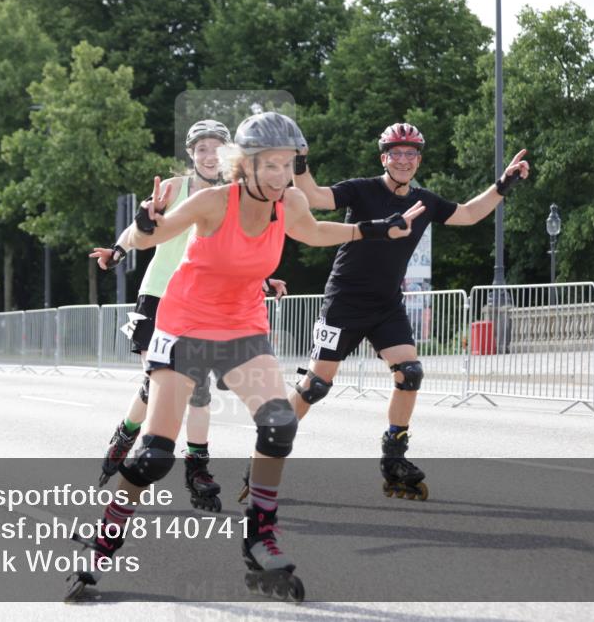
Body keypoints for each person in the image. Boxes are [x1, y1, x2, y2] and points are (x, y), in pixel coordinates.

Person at [70, 112, 424, 602]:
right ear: (246, 165)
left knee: (279, 424)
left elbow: (315, 231)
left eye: (288, 165)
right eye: (272, 166)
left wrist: (374, 230)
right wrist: (133, 233)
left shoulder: (290, 201)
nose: (282, 176)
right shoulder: (214, 201)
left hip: (242, 326)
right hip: (186, 324)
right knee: (154, 456)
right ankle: (102, 543)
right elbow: (154, 234)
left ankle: (260, 538)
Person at [285, 122, 529, 500]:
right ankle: (269, 446)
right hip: (344, 302)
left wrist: (503, 185)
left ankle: (394, 457)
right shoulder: (361, 190)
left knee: (410, 372)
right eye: (395, 154)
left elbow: (467, 214)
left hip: (386, 305)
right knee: (315, 386)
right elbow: (314, 196)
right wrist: (299, 162)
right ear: (384, 158)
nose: (403, 160)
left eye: (410, 154)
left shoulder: (426, 201)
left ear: (418, 160)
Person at [94, 119, 286, 512]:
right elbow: (142, 228)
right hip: (161, 295)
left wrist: (262, 280)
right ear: (191, 154)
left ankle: (196, 467)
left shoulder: (240, 194)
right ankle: (128, 435)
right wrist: (117, 250)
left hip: (206, 304)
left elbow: (239, 250)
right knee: (159, 385)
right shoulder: (175, 188)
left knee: (194, 388)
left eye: (217, 147)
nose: (209, 155)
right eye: (201, 149)